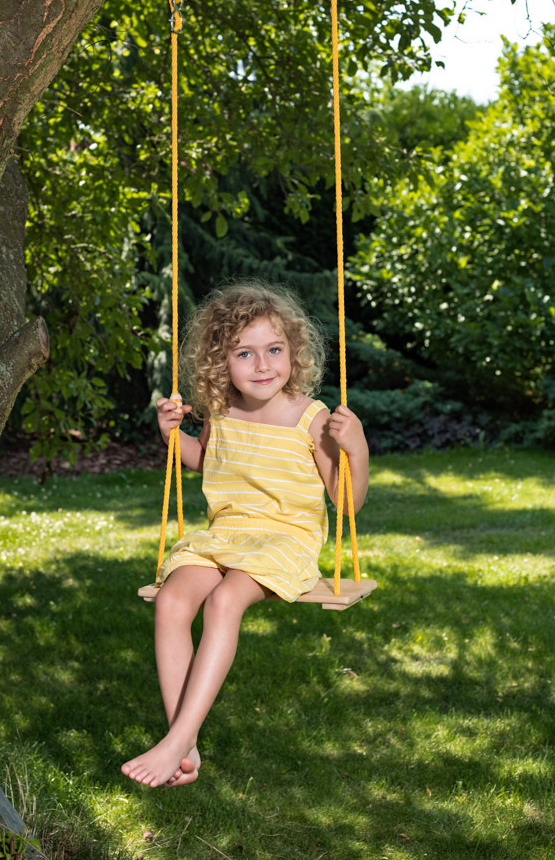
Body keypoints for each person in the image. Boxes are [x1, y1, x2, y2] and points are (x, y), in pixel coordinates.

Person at [121, 282, 368, 788]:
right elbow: (206, 459)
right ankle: (185, 746)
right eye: (244, 353)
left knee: (224, 601)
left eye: (274, 350)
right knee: (171, 600)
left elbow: (346, 503)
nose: (262, 366)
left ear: (293, 352)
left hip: (285, 540)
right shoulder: (221, 411)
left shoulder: (312, 418)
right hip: (225, 535)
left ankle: (175, 740)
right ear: (221, 361)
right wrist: (172, 436)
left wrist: (356, 446)